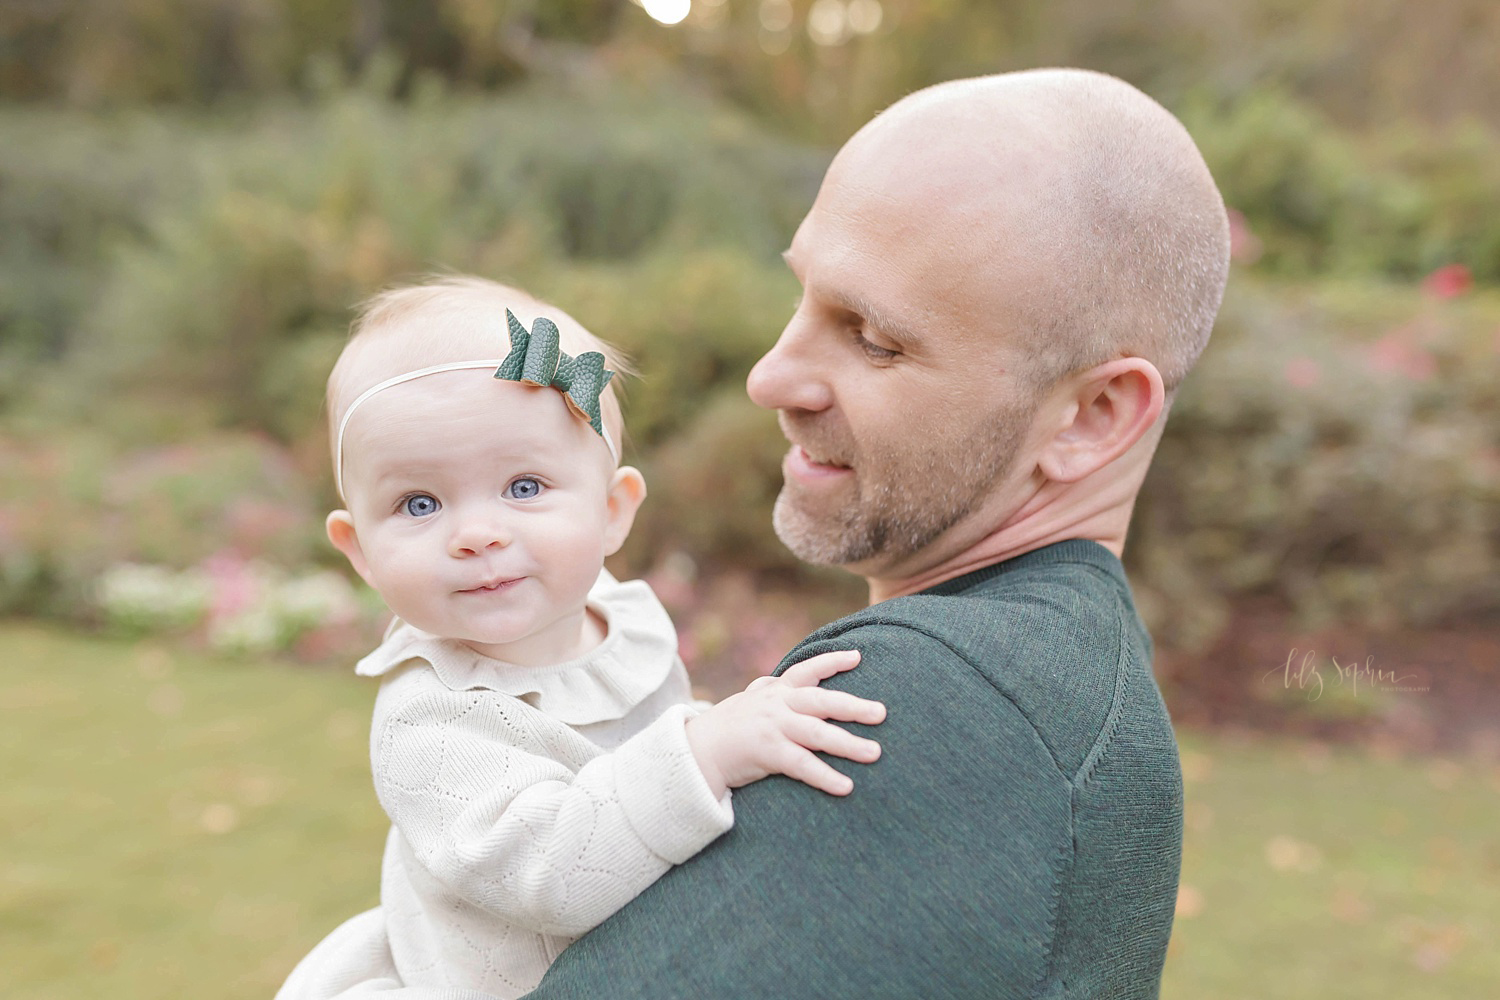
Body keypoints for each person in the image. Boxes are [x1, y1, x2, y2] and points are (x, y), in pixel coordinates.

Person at [280, 64, 1229, 999]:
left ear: (1093, 414)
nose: (769, 376)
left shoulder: (941, 712)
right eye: (802, 296)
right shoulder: (1062, 674)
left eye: (873, 338)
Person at [274, 277, 886, 1000]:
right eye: (419, 503)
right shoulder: (430, 723)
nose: (477, 534)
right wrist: (705, 752)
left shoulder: (623, 621)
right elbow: (553, 869)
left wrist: (728, 731)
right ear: (360, 552)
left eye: (524, 487)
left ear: (613, 510)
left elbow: (645, 737)